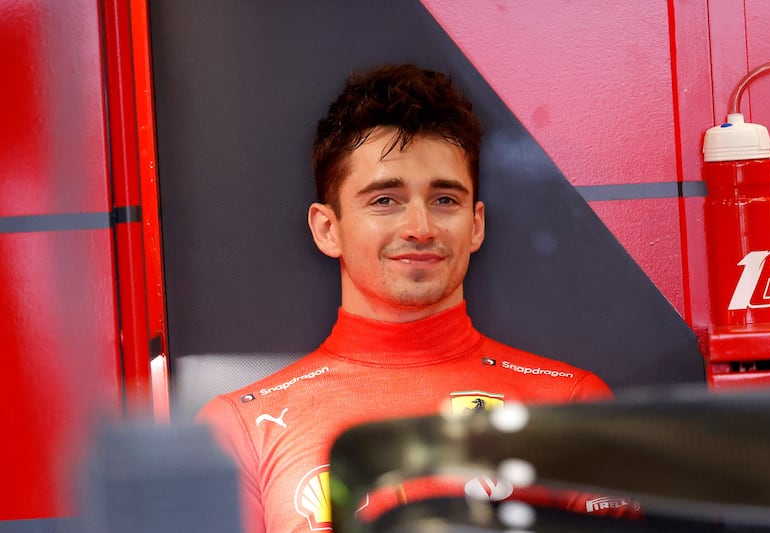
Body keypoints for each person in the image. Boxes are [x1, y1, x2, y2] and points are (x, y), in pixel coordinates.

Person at [198, 64, 615, 533]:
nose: (420, 228)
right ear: (327, 228)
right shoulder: (240, 428)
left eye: (444, 200)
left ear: (475, 225)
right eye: (385, 200)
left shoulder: (571, 403)